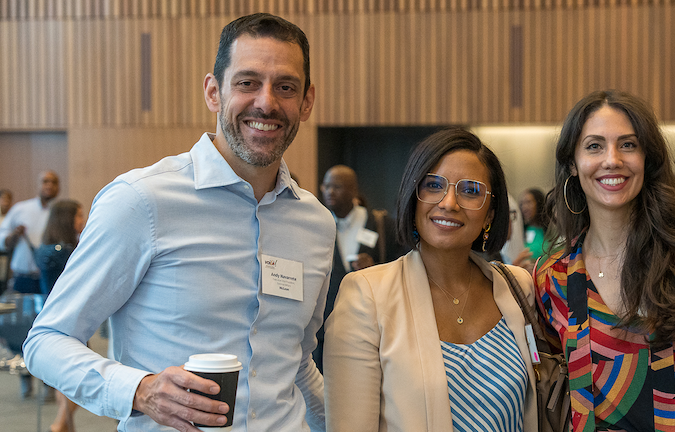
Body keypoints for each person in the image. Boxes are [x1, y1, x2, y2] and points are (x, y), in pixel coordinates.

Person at [23, 13, 332, 432]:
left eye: (285, 87)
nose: (266, 102)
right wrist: (140, 390)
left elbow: (295, 362)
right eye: (247, 82)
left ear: (306, 101)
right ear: (213, 92)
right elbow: (46, 341)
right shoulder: (141, 201)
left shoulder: (315, 223)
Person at [534, 90, 675, 431]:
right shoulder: (552, 276)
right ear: (572, 163)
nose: (612, 159)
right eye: (594, 146)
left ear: (647, 157)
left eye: (628, 145)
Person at [324, 128, 539, 432]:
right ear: (414, 198)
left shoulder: (518, 288)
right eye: (434, 185)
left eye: (471, 190)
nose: (449, 203)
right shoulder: (365, 297)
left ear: (490, 214)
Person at [314, 164, 405, 371]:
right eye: (326, 186)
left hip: (370, 329)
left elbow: (403, 268)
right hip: (325, 331)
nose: (329, 192)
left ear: (353, 191)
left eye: (336, 186)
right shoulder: (318, 225)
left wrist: (377, 269)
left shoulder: (383, 226)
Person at [33, 198, 85, 432]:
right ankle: (59, 427)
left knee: (64, 383)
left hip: (52, 318)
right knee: (76, 384)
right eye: (78, 215)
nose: (82, 220)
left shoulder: (46, 248)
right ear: (67, 219)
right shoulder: (63, 252)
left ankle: (64, 427)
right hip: (68, 322)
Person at [0, 171, 61, 294]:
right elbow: (2, 237)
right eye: (45, 181)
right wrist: (14, 236)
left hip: (53, 278)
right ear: (38, 185)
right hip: (25, 278)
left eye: (53, 182)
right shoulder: (21, 209)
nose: (49, 185)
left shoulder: (60, 212)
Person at [512, 188, 549, 268]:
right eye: (521, 204)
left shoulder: (551, 230)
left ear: (539, 203)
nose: (524, 207)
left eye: (528, 202)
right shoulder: (520, 231)